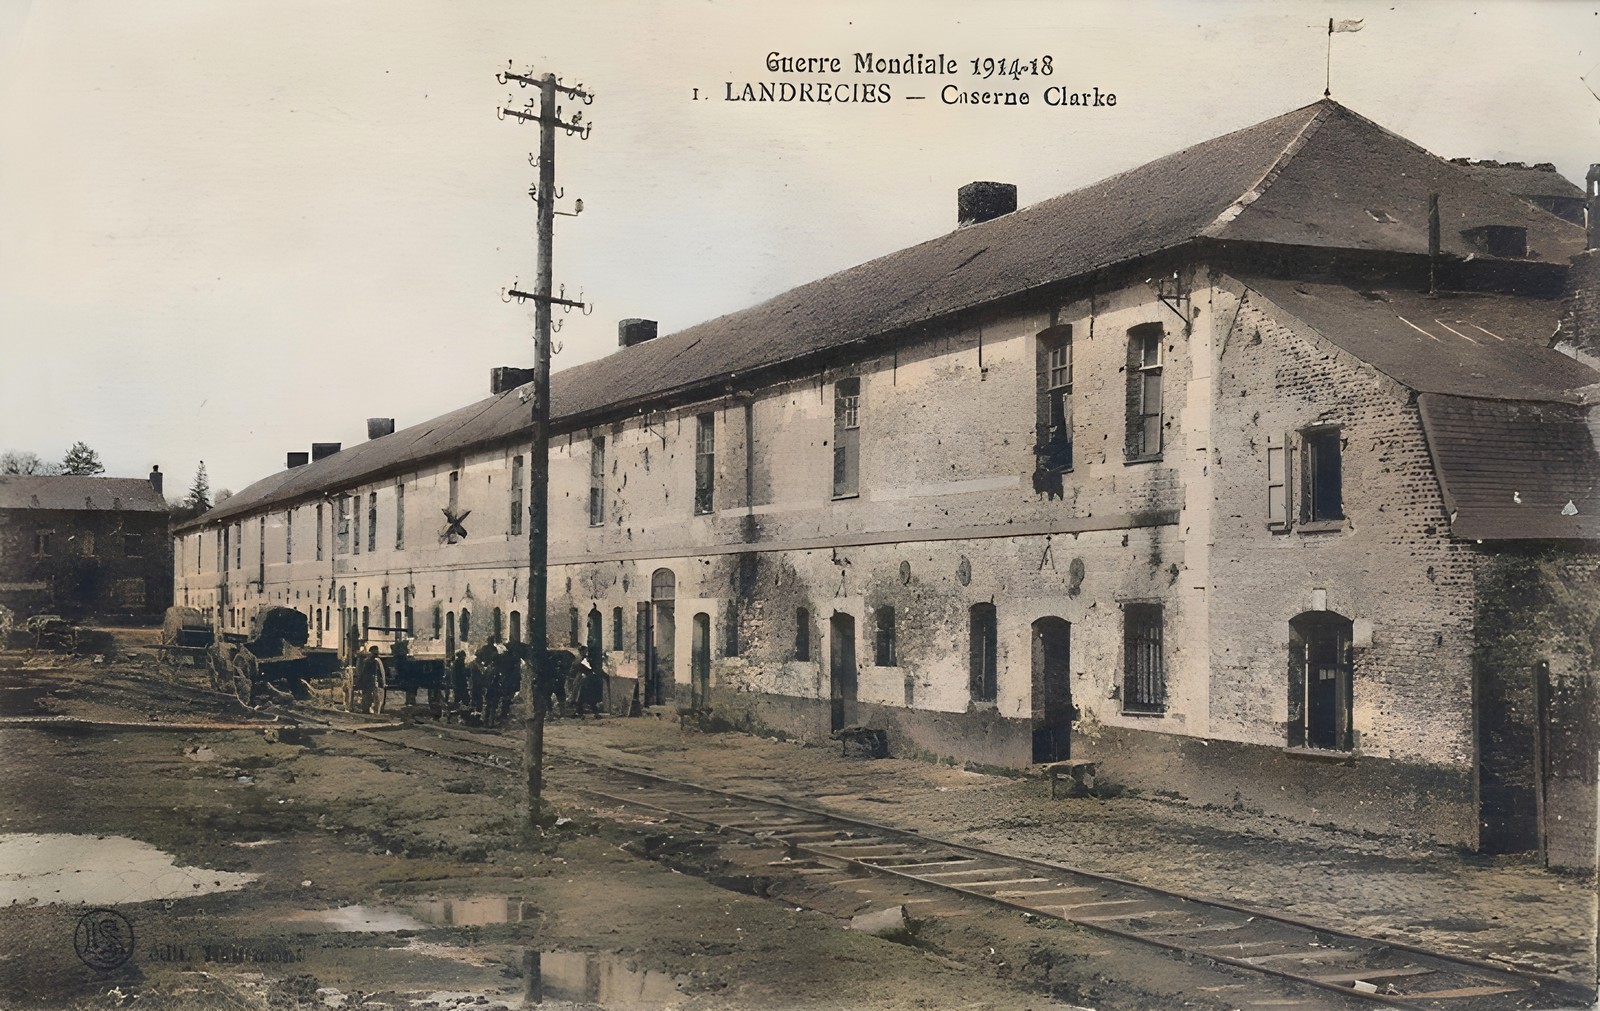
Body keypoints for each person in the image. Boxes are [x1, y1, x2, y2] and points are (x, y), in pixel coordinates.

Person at [353, 646, 383, 715]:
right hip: (371, 681)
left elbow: (365, 672)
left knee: (370, 696)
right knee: (372, 696)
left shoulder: (369, 661)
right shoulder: (374, 661)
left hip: (370, 681)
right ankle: (370, 710)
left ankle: (368, 710)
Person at [449, 650, 468, 722]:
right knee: (462, 700)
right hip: (459, 685)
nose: (464, 659)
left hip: (459, 684)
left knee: (459, 700)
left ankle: (455, 715)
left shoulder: (458, 663)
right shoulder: (458, 664)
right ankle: (456, 715)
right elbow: (458, 675)